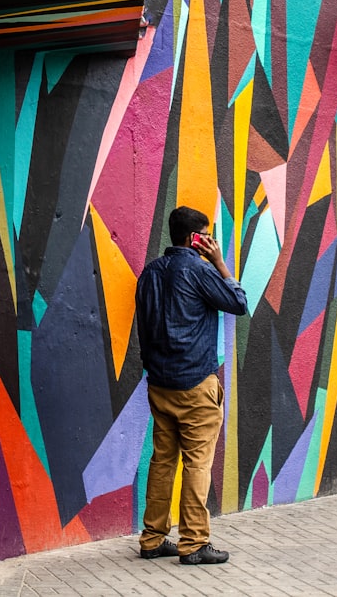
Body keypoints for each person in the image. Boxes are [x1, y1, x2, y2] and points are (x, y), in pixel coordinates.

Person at [135, 206, 248, 565]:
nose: (210, 240)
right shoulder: (199, 270)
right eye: (206, 234)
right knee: (197, 464)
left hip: (160, 384)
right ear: (194, 238)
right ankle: (194, 543)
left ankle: (152, 538)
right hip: (195, 384)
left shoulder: (150, 272)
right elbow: (238, 302)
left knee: (163, 462)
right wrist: (219, 261)